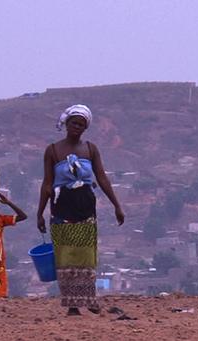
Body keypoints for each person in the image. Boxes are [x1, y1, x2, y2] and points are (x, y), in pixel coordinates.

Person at [36, 104, 125, 316]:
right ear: (66, 124)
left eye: (81, 125)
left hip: (85, 206)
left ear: (86, 128)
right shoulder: (53, 150)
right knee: (66, 256)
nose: (77, 127)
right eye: (74, 123)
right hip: (61, 208)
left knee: (85, 256)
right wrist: (40, 212)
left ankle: (89, 299)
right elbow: (47, 184)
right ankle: (73, 305)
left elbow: (102, 177)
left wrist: (116, 205)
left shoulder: (90, 149)